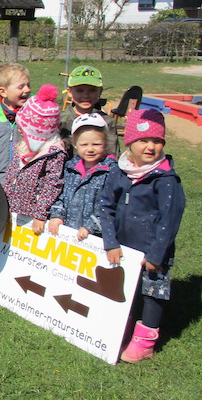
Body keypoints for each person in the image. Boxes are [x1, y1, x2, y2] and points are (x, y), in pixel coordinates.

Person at [99, 109, 185, 363]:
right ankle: (123, 327)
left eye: (157, 141)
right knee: (126, 289)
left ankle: (145, 340)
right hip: (123, 248)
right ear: (130, 142)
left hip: (151, 250)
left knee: (152, 293)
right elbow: (105, 206)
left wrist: (156, 254)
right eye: (143, 141)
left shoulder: (166, 179)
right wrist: (111, 242)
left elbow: (169, 221)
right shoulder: (119, 171)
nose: (150, 147)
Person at [3, 84, 67, 236]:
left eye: (23, 128)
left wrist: (40, 215)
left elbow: (51, 186)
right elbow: (11, 175)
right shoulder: (22, 147)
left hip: (34, 216)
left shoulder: (53, 154)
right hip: (14, 211)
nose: (19, 130)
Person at [48, 113, 116, 240]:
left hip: (94, 237)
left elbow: (110, 206)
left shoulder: (111, 171)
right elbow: (60, 195)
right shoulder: (69, 167)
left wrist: (91, 226)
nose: (90, 149)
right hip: (66, 232)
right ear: (75, 144)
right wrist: (57, 215)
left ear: (106, 143)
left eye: (96, 144)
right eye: (84, 145)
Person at [58, 65, 117, 155]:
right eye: (80, 91)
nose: (86, 95)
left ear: (100, 92)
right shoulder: (60, 120)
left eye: (92, 90)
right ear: (69, 92)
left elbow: (113, 154)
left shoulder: (106, 122)